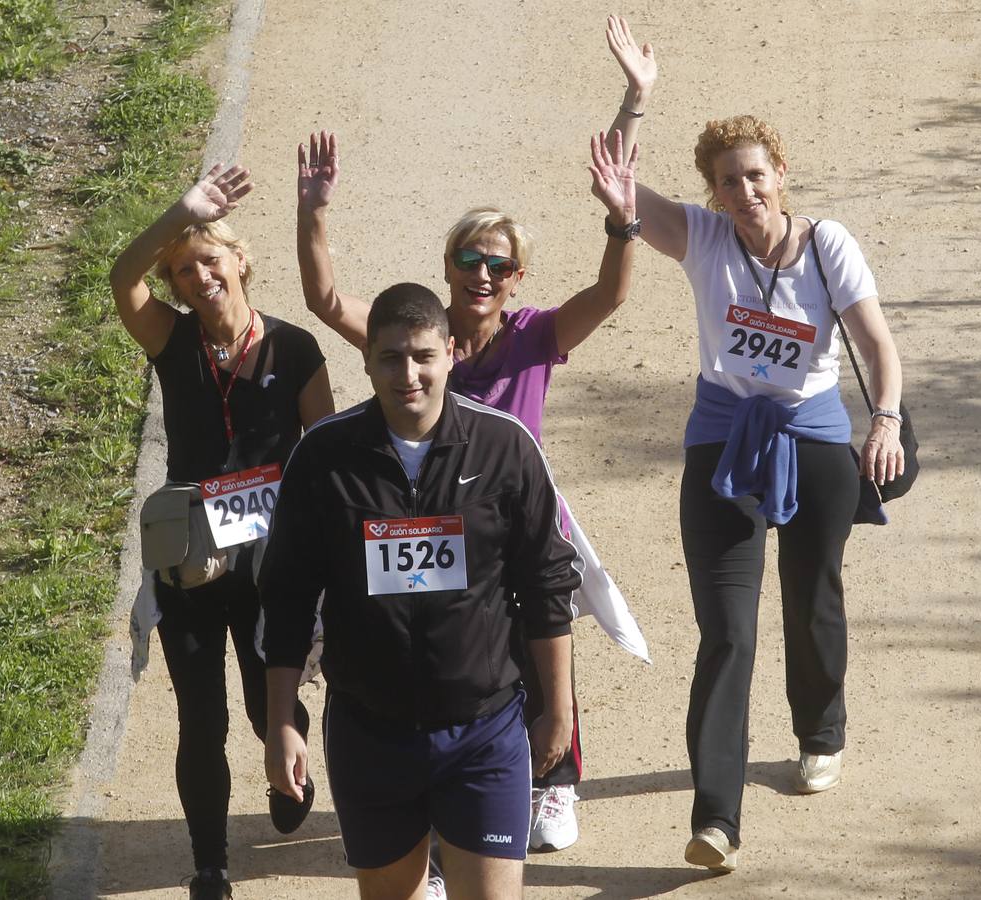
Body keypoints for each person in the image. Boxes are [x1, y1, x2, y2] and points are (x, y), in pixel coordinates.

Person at [291, 19, 654, 858]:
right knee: (460, 647)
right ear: (448, 264)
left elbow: (610, 294)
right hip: (430, 514)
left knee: (543, 629)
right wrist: (312, 212)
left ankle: (557, 780)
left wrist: (622, 216)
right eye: (468, 258)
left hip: (515, 511)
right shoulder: (420, 338)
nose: (482, 274)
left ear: (516, 277)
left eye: (498, 263)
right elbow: (323, 298)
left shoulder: (533, 335)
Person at [629, 111, 906, 872]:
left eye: (756, 173)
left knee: (810, 595)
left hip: (812, 440)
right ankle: (716, 820)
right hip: (723, 443)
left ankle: (821, 734)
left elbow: (877, 342)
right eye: (728, 180)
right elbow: (621, 189)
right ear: (712, 192)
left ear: (780, 173)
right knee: (727, 633)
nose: (745, 189)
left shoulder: (827, 244)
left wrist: (883, 421)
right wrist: (636, 101)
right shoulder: (702, 238)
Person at [261, 283, 581, 900]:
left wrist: (558, 710)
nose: (408, 374)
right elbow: (288, 596)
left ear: (450, 354)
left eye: (422, 356)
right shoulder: (324, 457)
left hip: (484, 730)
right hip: (370, 733)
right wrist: (281, 720)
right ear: (367, 361)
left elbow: (546, 584)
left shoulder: (506, 446)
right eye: (390, 358)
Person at [110, 163, 334, 899]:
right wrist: (181, 212)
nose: (198, 276)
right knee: (200, 717)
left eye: (209, 259)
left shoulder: (295, 350)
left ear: (240, 261)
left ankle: (285, 763)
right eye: (182, 269)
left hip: (275, 564)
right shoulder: (171, 342)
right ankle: (210, 865)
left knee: (264, 694)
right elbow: (121, 279)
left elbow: (326, 448)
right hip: (192, 563)